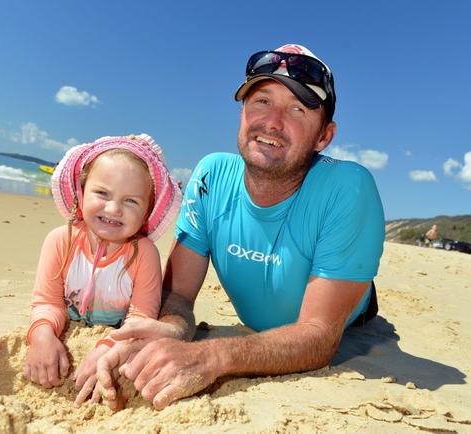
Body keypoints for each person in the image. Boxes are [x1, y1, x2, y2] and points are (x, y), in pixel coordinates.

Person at [95, 44, 385, 410]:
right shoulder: (212, 176)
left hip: (351, 317)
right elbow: (180, 296)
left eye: (297, 109)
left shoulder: (348, 188)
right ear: (242, 111)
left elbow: (319, 338)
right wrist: (173, 327)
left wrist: (212, 357)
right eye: (261, 101)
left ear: (324, 136)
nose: (273, 121)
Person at [23, 134, 182, 405]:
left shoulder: (144, 254)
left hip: (115, 335)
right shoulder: (61, 241)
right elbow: (48, 301)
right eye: (102, 193)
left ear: (147, 212)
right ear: (82, 193)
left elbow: (139, 317)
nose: (113, 208)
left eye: (131, 201)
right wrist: (42, 336)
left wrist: (107, 347)